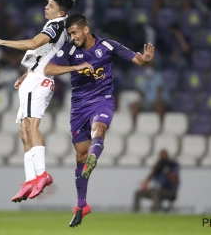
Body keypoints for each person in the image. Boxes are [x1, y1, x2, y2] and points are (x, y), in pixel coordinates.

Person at [44, 13, 155, 227]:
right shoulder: (69, 50)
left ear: (86, 29)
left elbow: (137, 59)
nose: (72, 36)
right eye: (69, 33)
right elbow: (48, 68)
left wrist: (145, 60)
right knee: (80, 155)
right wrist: (75, 67)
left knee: (100, 128)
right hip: (78, 107)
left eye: (74, 32)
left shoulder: (108, 46)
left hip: (102, 101)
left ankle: (94, 158)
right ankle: (81, 205)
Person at [0, 0, 75, 201]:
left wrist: (1, 42)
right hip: (34, 77)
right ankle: (30, 179)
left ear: (60, 11)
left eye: (50, 6)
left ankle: (42, 174)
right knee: (24, 131)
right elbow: (46, 55)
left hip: (40, 80)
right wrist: (27, 73)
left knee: (32, 127)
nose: (46, 8)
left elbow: (34, 44)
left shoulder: (56, 24)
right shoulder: (56, 25)